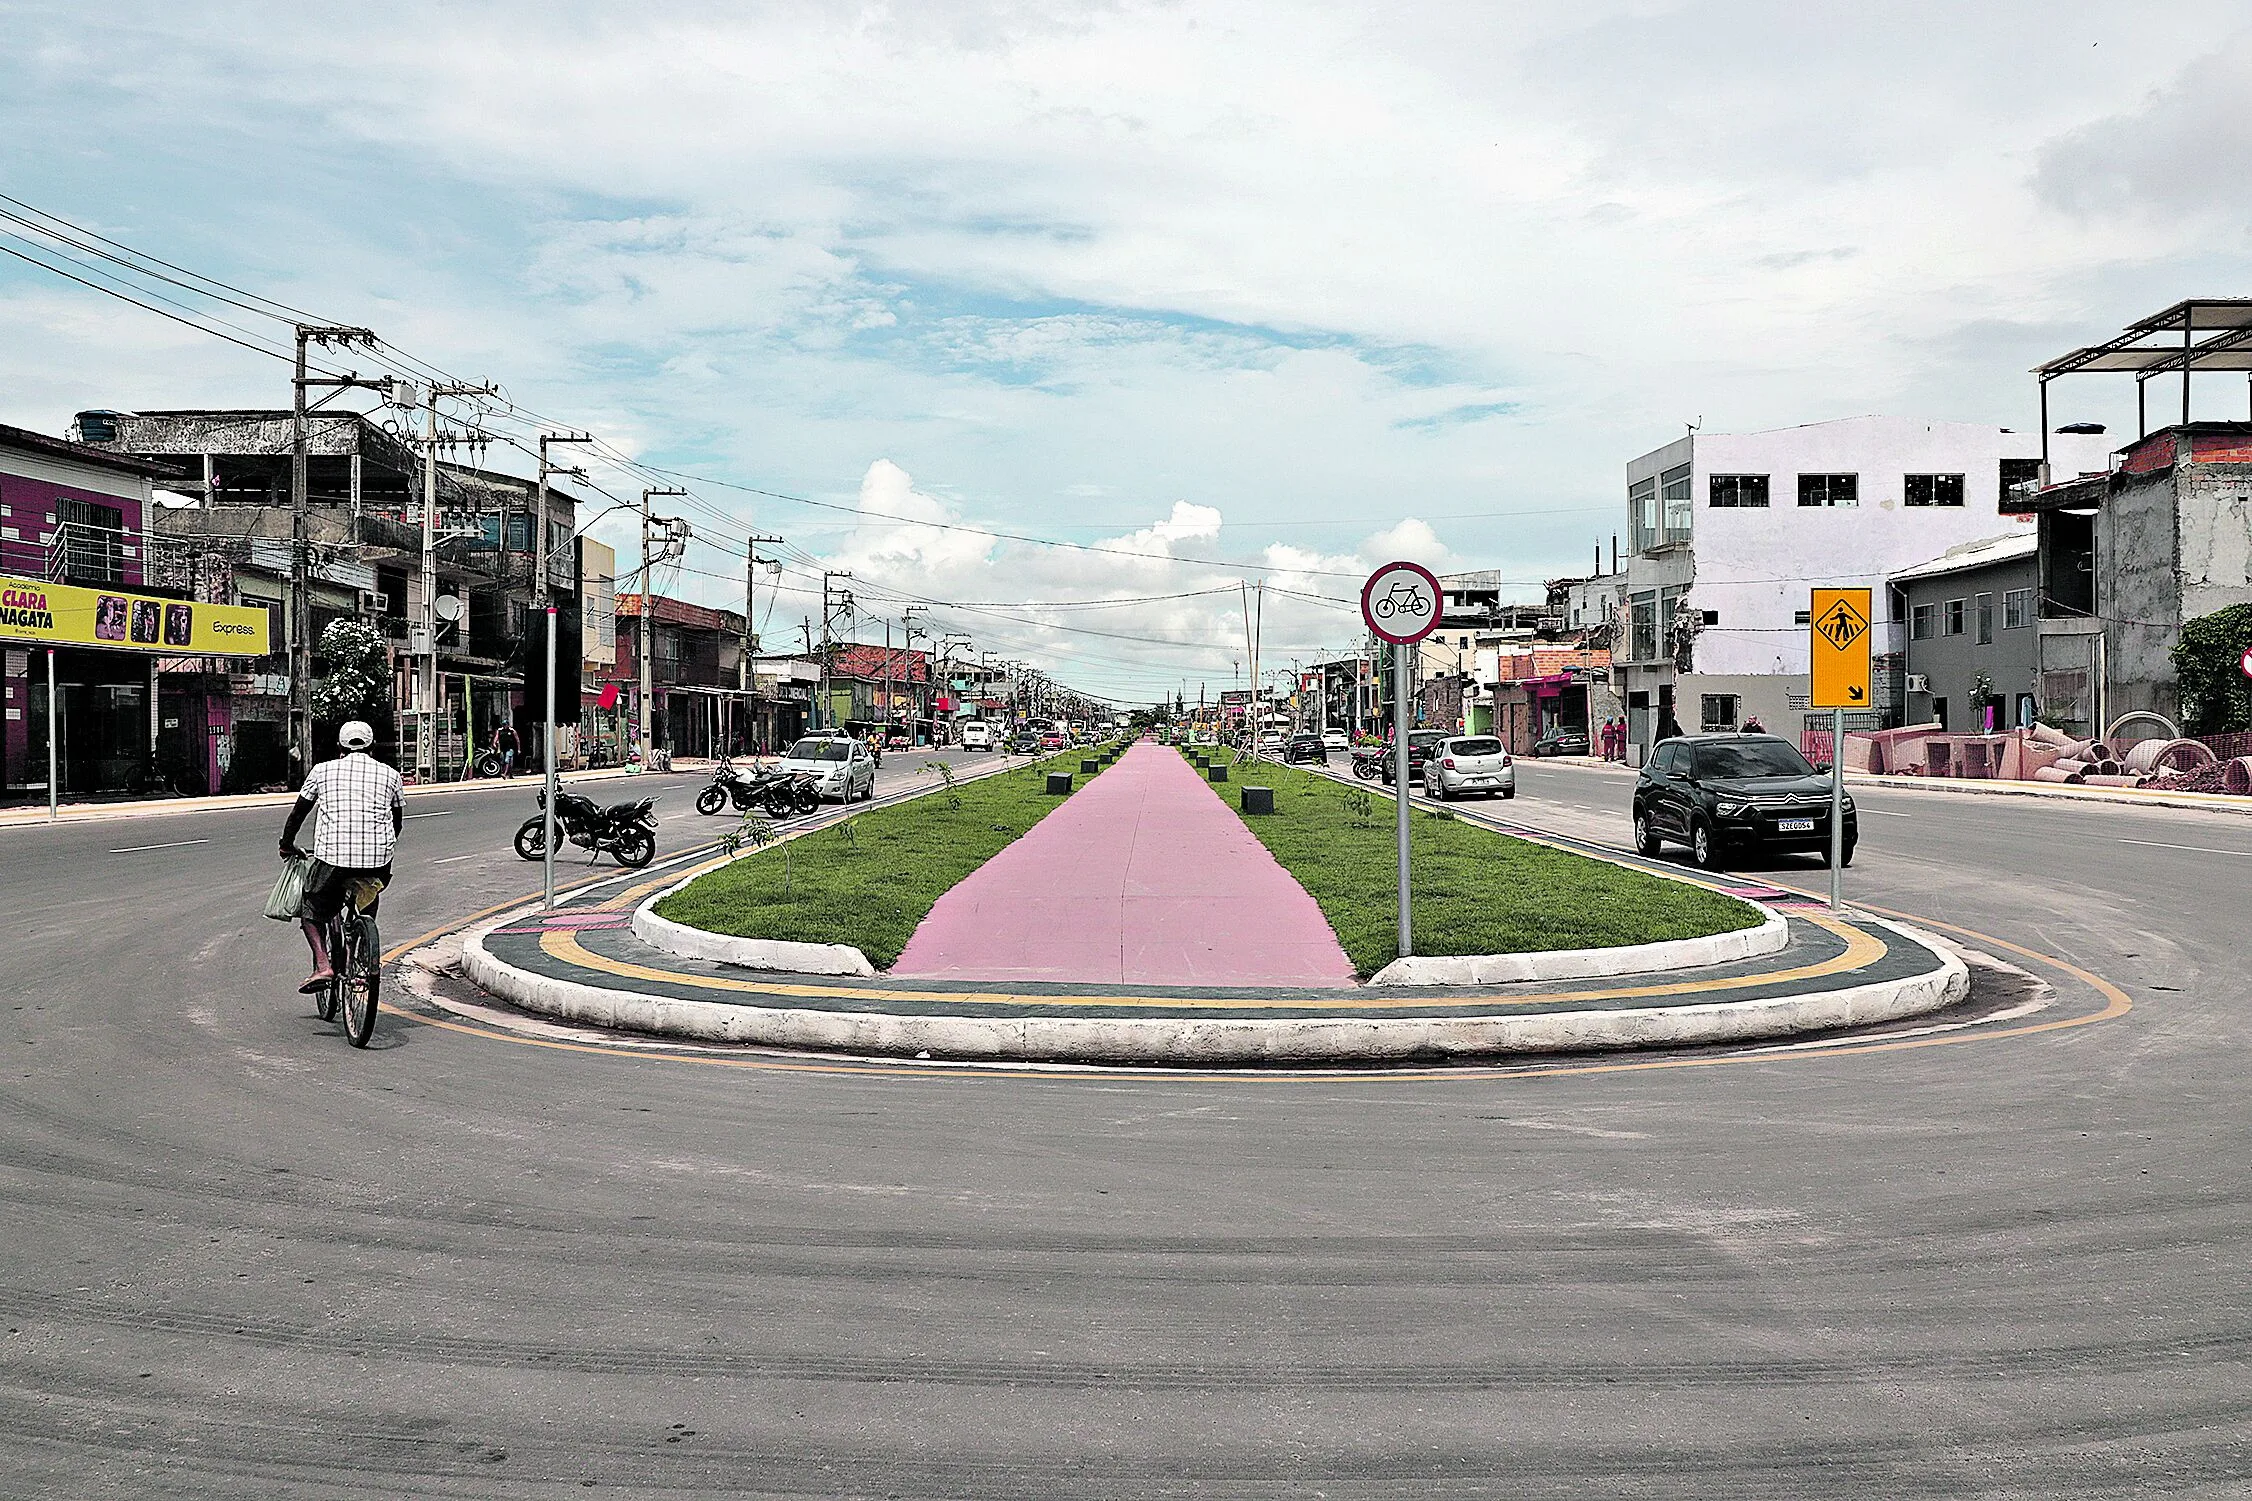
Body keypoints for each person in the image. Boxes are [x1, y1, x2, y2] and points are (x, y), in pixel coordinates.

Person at [279, 721, 404, 994]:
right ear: (372, 747)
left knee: (311, 910)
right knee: (369, 892)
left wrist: (286, 845)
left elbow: (298, 814)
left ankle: (323, 966)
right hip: (377, 859)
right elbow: (397, 824)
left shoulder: (321, 771)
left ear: (339, 747)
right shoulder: (391, 775)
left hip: (333, 859)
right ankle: (361, 946)